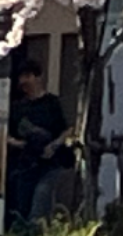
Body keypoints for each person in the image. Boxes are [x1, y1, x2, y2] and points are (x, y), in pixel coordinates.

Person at [5, 60, 73, 228]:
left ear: (38, 77)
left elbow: (66, 130)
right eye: (21, 77)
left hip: (50, 164)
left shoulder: (51, 103)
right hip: (26, 165)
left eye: (27, 76)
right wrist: (20, 144)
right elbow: (6, 135)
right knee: (21, 209)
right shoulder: (18, 107)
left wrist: (54, 145)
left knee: (40, 202)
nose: (23, 81)